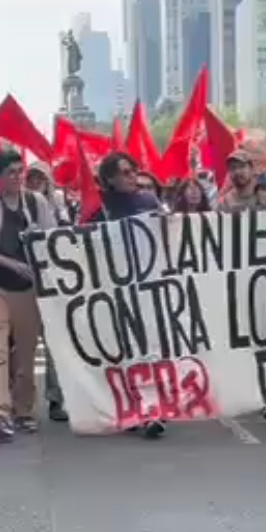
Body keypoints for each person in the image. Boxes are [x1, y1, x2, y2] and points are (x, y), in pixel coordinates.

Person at [92, 153, 164, 438]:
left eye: (133, 169)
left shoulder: (149, 201)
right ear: (109, 178)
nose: (132, 175)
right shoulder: (99, 205)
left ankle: (151, 410)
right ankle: (129, 409)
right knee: (123, 352)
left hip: (147, 286)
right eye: (124, 172)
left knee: (150, 349)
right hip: (113, 289)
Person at [0, 149, 56, 439]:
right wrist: (10, 263)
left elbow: (52, 237)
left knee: (26, 353)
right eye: (11, 173)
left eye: (21, 171)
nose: (18, 178)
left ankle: (24, 411)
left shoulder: (36, 201)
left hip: (30, 288)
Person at [25, 162, 70, 424]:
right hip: (23, 285)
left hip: (53, 285)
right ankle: (20, 403)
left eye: (39, 178)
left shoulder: (57, 208)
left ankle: (56, 399)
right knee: (21, 345)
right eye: (31, 177)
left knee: (54, 344)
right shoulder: (19, 206)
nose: (34, 182)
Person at [91, 153, 161, 222]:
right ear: (110, 179)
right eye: (126, 172)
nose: (133, 175)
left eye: (134, 170)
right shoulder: (98, 205)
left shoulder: (149, 199)